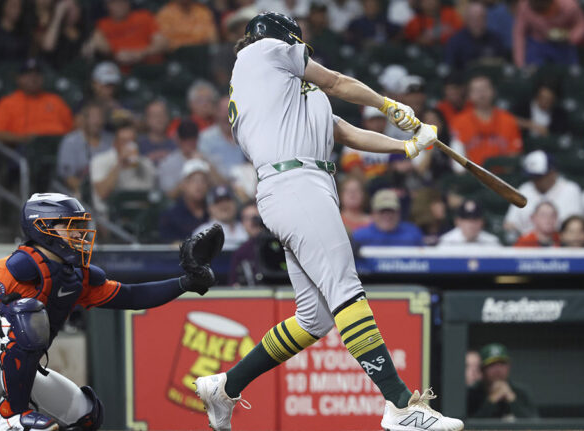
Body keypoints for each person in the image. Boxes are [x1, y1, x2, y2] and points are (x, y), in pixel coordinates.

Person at [194, 12, 464, 431]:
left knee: (314, 318)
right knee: (345, 289)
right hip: (296, 183)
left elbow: (345, 131)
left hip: (298, 186)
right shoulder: (263, 52)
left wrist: (408, 146)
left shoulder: (278, 94)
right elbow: (337, 82)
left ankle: (226, 386)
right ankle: (399, 405)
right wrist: (390, 104)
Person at [0, 193, 220, 431]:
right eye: (70, 226)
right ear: (42, 227)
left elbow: (132, 295)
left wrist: (185, 283)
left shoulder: (75, 277)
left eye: (79, 226)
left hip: (10, 375)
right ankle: (11, 417)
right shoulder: (10, 270)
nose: (79, 233)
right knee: (25, 313)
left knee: (86, 415)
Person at [0, 59, 74, 147]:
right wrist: (22, 139)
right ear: (18, 78)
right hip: (27, 149)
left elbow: (73, 129)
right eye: (28, 74)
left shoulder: (55, 100)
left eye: (37, 74)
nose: (33, 77)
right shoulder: (8, 102)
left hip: (58, 147)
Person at [450, 75, 522, 167]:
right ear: (469, 95)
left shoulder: (508, 120)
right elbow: (458, 160)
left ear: (493, 91)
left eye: (485, 88)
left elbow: (514, 154)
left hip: (502, 176)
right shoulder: (459, 121)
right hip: (472, 177)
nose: (481, 93)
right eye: (476, 90)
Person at [504, 150, 582, 235]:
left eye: (539, 177)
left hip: (560, 245)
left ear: (553, 173)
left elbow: (575, 226)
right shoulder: (525, 189)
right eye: (532, 176)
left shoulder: (570, 190)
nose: (535, 180)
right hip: (528, 244)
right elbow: (509, 224)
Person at [89, 120, 156, 216]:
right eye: (124, 141)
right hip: (107, 216)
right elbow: (102, 193)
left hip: (140, 216)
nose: (129, 146)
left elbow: (151, 196)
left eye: (132, 141)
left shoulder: (146, 164)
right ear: (115, 144)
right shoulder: (100, 161)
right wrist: (119, 164)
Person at [82, 0, 168, 66]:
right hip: (121, 70)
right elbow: (101, 46)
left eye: (122, 1)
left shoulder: (144, 16)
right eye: (114, 3)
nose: (119, 6)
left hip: (150, 65)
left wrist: (139, 54)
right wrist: (115, 56)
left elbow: (163, 44)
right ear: (107, 5)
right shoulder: (102, 25)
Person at [56, 103, 114, 199]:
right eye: (93, 117)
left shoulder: (111, 141)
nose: (97, 121)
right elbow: (69, 178)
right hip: (80, 193)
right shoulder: (71, 141)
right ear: (84, 119)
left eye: (100, 117)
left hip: (108, 190)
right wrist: (93, 192)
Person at [467, 343, 537, 419]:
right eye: (492, 365)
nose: (498, 370)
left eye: (502, 364)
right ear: (482, 369)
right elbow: (470, 425)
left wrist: (512, 399)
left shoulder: (521, 392)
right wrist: (492, 400)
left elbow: (535, 423)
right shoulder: (472, 393)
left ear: (508, 366)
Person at [512, 0, 584, 68]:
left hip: (564, 44)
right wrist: (519, 62)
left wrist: (572, 37)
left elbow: (582, 24)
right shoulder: (524, 7)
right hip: (538, 43)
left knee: (570, 73)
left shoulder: (570, 5)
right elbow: (519, 33)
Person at [444, 1, 507, 70]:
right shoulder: (455, 42)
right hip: (464, 79)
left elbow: (503, 66)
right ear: (467, 19)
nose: (477, 21)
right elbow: (449, 71)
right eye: (473, 18)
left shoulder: (495, 40)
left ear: (486, 19)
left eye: (481, 17)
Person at [197, 96, 249, 181]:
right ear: (216, 113)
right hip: (217, 186)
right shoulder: (206, 138)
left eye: (230, 111)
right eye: (223, 111)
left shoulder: (245, 136)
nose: (227, 116)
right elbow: (204, 167)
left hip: (245, 186)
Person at [353, 189, 424, 247]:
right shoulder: (360, 236)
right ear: (373, 213)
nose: (387, 215)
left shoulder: (413, 233)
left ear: (399, 212)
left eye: (391, 210)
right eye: (382, 211)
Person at [339, 107, 391, 179]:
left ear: (386, 122)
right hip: (362, 186)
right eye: (373, 120)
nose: (377, 123)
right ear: (365, 122)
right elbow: (352, 167)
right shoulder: (354, 142)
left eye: (380, 119)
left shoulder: (394, 141)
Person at [194, 185, 248, 251]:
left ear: (235, 204)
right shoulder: (203, 232)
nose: (224, 205)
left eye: (227, 200)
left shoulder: (246, 228)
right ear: (209, 208)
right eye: (218, 202)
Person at [228, 202, 268, 286]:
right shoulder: (241, 252)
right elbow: (235, 286)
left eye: (255, 218)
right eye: (247, 218)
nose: (252, 223)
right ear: (242, 223)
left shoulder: (279, 245)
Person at [0, 0, 30, 68]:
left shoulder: (23, 34)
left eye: (19, 7)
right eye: (13, 6)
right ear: (4, 7)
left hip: (13, 73)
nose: (17, 10)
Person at [40, 0, 86, 69]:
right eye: (68, 9)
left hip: (75, 72)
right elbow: (48, 47)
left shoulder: (84, 29)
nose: (72, 12)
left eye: (75, 7)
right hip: (53, 71)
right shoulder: (53, 28)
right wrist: (58, 15)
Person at [137, 100, 176, 166]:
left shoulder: (176, 145)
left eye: (162, 115)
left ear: (167, 118)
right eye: (155, 116)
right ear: (147, 119)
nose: (159, 119)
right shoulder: (138, 145)